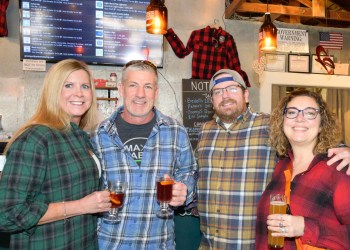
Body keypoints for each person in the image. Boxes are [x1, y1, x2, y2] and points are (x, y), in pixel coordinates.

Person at [195, 69, 350, 249]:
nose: (225, 95)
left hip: (248, 244)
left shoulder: (267, 125)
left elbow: (305, 135)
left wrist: (345, 150)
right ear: (212, 101)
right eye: (218, 91)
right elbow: (197, 178)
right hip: (210, 244)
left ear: (246, 95)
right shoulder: (205, 131)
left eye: (232, 88)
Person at [0, 59, 111, 249]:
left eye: (85, 86)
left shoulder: (81, 137)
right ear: (53, 91)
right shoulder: (36, 138)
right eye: (68, 85)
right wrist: (81, 206)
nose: (79, 93)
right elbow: (6, 214)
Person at [91, 60, 197, 249]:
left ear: (156, 93)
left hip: (157, 243)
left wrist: (185, 190)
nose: (140, 94)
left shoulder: (175, 131)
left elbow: (189, 172)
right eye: (133, 85)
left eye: (147, 87)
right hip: (110, 243)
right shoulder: (99, 135)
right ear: (121, 89)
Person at [255, 89, 350, 249]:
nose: (299, 118)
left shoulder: (338, 168)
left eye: (310, 113)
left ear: (321, 125)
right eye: (292, 112)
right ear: (282, 121)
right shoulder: (281, 166)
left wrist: (306, 227)